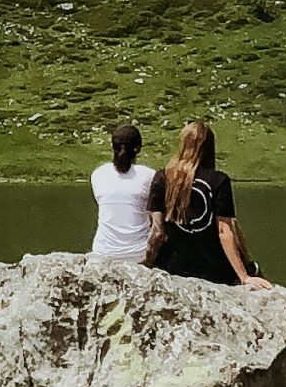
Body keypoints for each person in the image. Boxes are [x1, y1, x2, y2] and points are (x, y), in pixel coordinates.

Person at [145, 119, 272, 288]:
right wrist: (244, 276)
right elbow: (224, 231)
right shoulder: (218, 181)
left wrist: (146, 267)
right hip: (214, 271)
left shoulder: (162, 178)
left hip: (173, 268)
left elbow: (157, 232)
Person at [87, 123, 158, 262]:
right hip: (138, 254)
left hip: (103, 252)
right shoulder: (149, 175)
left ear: (113, 147)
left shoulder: (98, 174)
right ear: (137, 148)